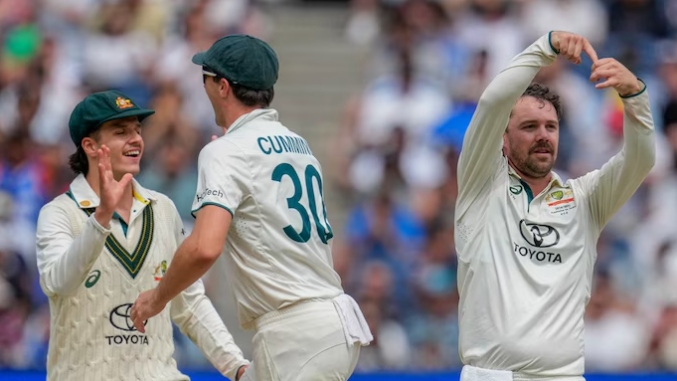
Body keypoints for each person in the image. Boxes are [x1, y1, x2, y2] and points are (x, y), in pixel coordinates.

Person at [131, 34, 373, 381]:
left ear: (224, 86)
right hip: (331, 324)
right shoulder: (299, 144)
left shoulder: (225, 153)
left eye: (207, 78)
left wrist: (157, 298)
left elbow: (204, 248)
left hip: (295, 333)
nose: (204, 87)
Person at [454, 31, 655, 381]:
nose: (543, 135)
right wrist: (544, 47)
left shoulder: (585, 199)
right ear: (502, 138)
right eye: (529, 127)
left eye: (551, 126)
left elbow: (640, 160)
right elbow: (492, 103)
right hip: (491, 375)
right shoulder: (481, 184)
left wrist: (634, 95)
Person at [35, 90, 249, 381]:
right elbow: (57, 281)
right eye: (121, 131)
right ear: (90, 145)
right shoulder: (59, 213)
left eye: (137, 130)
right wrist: (101, 219)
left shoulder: (163, 209)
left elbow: (190, 303)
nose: (136, 139)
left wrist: (236, 366)